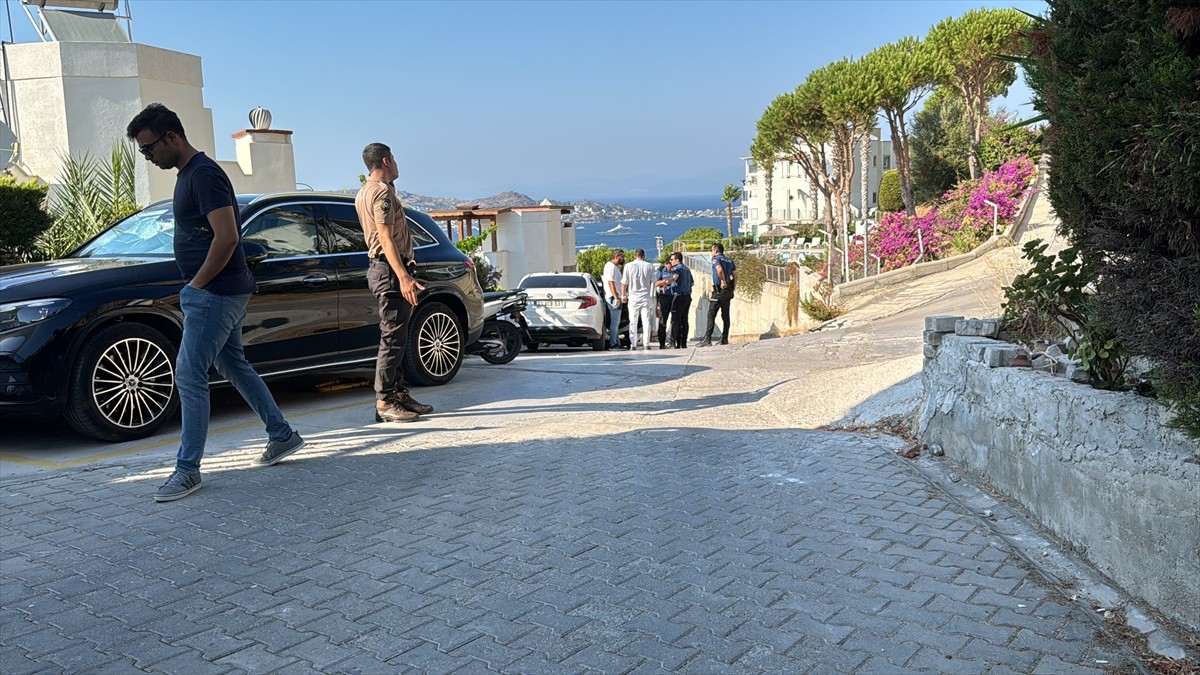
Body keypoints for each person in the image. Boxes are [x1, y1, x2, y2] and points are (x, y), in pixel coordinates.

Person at [127, 103, 306, 503]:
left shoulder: (203, 175)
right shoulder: (189, 174)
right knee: (232, 364)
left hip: (214, 292)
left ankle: (187, 470)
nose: (148, 156)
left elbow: (226, 237)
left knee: (189, 374)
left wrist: (197, 285)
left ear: (171, 136)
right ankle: (282, 435)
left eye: (149, 147)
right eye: (143, 150)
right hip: (219, 290)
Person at [355, 142, 435, 423]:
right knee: (392, 338)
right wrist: (404, 277)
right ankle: (385, 401)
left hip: (384, 269)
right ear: (386, 161)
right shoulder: (381, 193)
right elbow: (386, 238)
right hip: (389, 270)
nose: (398, 164)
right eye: (395, 159)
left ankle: (399, 394)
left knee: (398, 337)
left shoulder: (363, 192)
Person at [698, 242, 736, 347]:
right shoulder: (729, 260)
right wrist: (733, 287)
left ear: (716, 250)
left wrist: (723, 280)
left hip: (719, 290)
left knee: (711, 314)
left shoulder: (716, 259)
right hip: (728, 290)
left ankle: (707, 339)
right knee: (725, 315)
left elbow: (719, 270)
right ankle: (724, 339)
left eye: (711, 250)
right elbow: (736, 275)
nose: (711, 252)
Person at [621, 248, 657, 350]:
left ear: (634, 256)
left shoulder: (628, 266)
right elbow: (653, 282)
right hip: (646, 296)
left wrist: (623, 296)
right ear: (644, 256)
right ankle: (646, 343)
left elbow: (624, 283)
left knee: (633, 321)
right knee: (646, 321)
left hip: (633, 297)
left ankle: (633, 344)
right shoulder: (649, 266)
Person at [668, 252, 694, 348]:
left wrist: (666, 282)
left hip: (679, 296)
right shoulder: (687, 269)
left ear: (677, 260)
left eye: (672, 260)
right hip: (687, 296)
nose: (671, 262)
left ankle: (673, 341)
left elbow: (674, 278)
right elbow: (692, 282)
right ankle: (683, 342)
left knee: (675, 319)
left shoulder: (677, 268)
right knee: (684, 319)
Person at [601, 249, 625, 349]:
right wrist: (616, 297)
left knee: (616, 322)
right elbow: (611, 282)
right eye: (622, 257)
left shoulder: (613, 267)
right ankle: (613, 343)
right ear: (617, 256)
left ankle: (616, 342)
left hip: (614, 296)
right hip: (613, 297)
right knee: (615, 323)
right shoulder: (611, 267)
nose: (623, 259)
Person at [654, 258, 678, 349]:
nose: (670, 266)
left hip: (675, 296)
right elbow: (656, 283)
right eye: (669, 264)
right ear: (666, 263)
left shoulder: (676, 270)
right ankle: (662, 343)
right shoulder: (660, 271)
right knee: (663, 320)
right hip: (664, 297)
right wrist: (665, 282)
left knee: (675, 320)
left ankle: (673, 341)